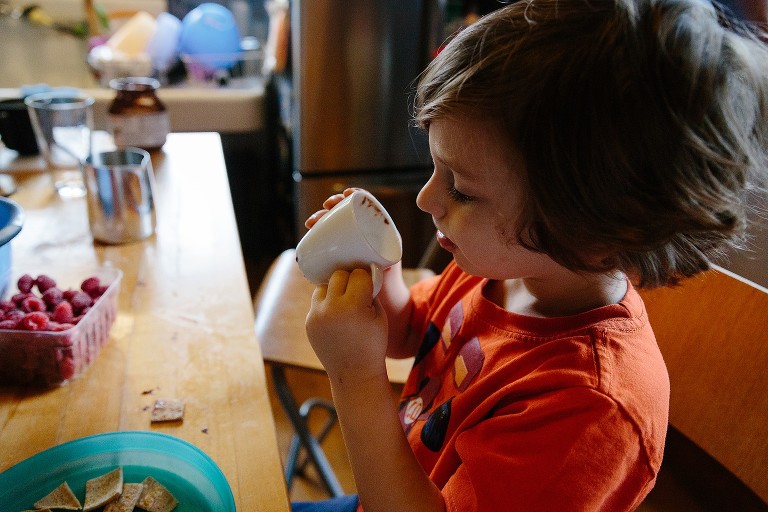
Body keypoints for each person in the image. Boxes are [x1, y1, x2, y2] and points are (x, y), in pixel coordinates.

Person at [296, 0, 768, 510]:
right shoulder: (502, 269)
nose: (425, 200)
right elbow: (412, 328)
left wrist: (355, 377)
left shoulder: (589, 408)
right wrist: (377, 270)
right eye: (436, 169)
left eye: (462, 189)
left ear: (589, 227)